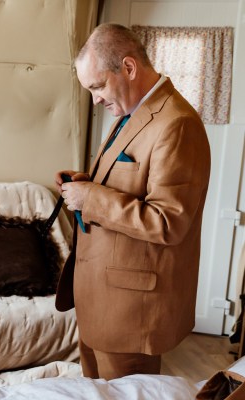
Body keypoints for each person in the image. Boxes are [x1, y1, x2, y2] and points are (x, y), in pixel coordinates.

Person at [54, 23, 210, 380]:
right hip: (100, 300)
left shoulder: (177, 124)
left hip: (130, 313)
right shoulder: (132, 112)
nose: (94, 99)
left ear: (128, 67)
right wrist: (86, 183)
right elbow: (131, 187)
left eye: (96, 86)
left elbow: (169, 222)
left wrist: (91, 197)